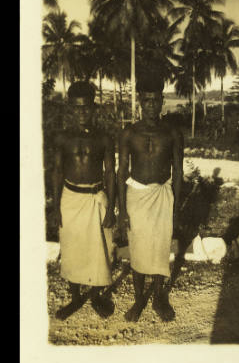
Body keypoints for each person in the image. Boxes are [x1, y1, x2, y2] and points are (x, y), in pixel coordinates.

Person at [117, 72, 184, 322]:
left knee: (159, 249)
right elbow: (121, 171)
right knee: (138, 249)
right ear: (140, 102)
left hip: (162, 196)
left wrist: (175, 206)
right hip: (136, 197)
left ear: (161, 101)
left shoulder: (173, 133)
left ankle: (158, 297)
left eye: (155, 100)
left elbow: (178, 170)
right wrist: (121, 210)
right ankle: (137, 301)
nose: (151, 106)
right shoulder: (128, 133)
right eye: (146, 101)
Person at [52, 81, 116, 320]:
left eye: (86, 108)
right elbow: (57, 171)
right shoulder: (62, 138)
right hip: (70, 199)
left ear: (94, 108)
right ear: (70, 108)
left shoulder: (104, 138)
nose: (82, 113)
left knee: (99, 249)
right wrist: (57, 206)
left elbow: (110, 172)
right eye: (77, 108)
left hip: (95, 198)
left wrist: (110, 207)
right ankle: (75, 296)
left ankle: (97, 294)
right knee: (72, 248)